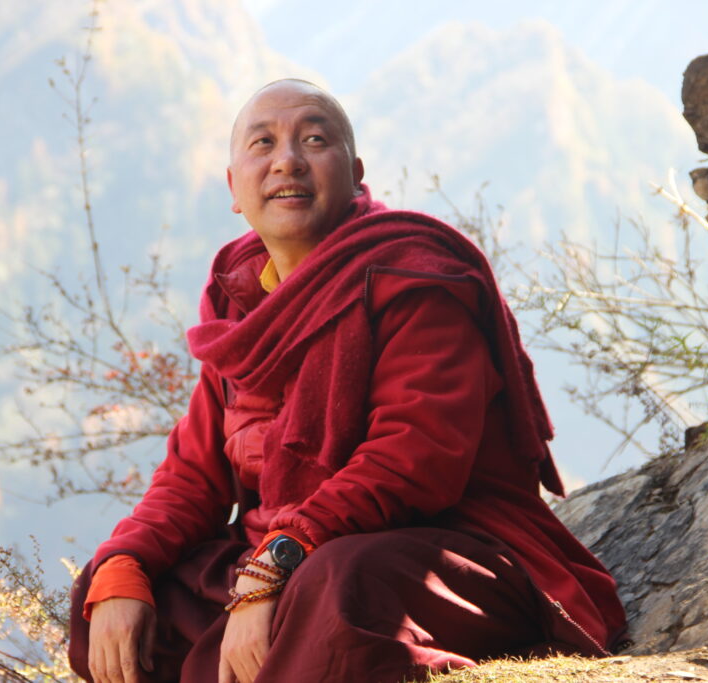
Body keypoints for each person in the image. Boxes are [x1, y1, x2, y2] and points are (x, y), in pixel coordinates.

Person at [68, 78, 627, 683]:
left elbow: (413, 460)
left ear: (356, 173)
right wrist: (128, 562)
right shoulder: (240, 307)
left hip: (442, 552)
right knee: (113, 594)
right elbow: (192, 474)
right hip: (292, 559)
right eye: (263, 143)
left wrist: (274, 567)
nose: (287, 159)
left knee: (339, 585)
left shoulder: (412, 277)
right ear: (234, 188)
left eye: (313, 138)